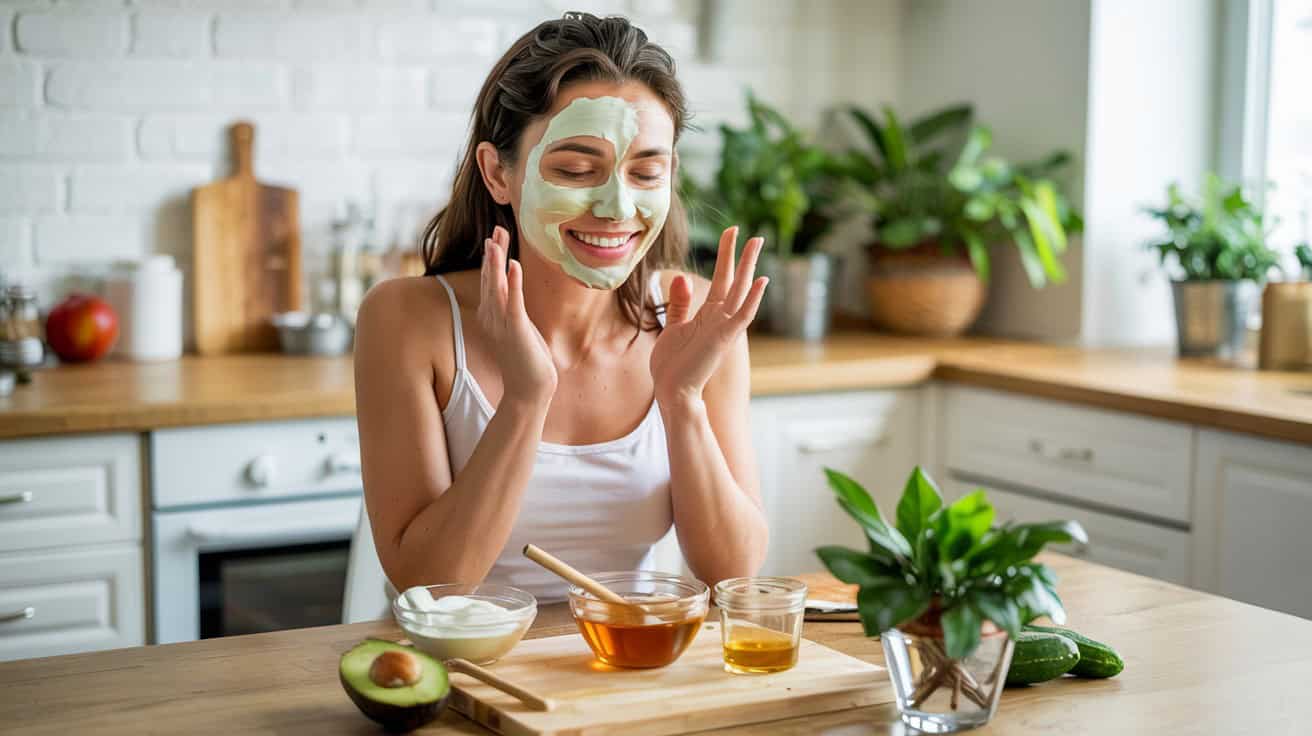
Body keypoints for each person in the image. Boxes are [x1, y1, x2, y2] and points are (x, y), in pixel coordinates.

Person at [354, 13, 769, 601]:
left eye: (647, 171)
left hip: (629, 666)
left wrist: (682, 400)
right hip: (465, 676)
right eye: (575, 170)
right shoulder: (408, 320)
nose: (616, 206)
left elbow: (734, 574)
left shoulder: (697, 316)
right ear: (499, 173)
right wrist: (525, 399)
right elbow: (429, 583)